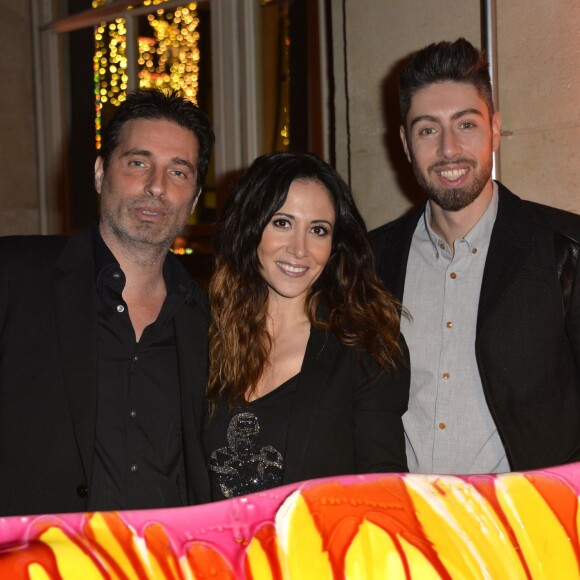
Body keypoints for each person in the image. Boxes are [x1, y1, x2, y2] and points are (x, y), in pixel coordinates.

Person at [370, 38, 580, 475]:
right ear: (406, 145)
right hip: (403, 525)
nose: (448, 149)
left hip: (526, 528)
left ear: (495, 130)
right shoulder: (370, 261)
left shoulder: (566, 250)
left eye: (466, 125)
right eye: (428, 129)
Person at [0, 88, 214, 516]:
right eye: (138, 163)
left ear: (192, 197)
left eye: (178, 172)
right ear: (100, 173)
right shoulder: (14, 275)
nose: (156, 187)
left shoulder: (209, 320)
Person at [203, 151, 409, 501]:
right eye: (282, 223)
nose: (299, 249)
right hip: (215, 552)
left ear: (334, 245)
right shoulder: (207, 335)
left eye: (318, 230)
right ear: (251, 227)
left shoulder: (365, 347)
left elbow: (384, 489)